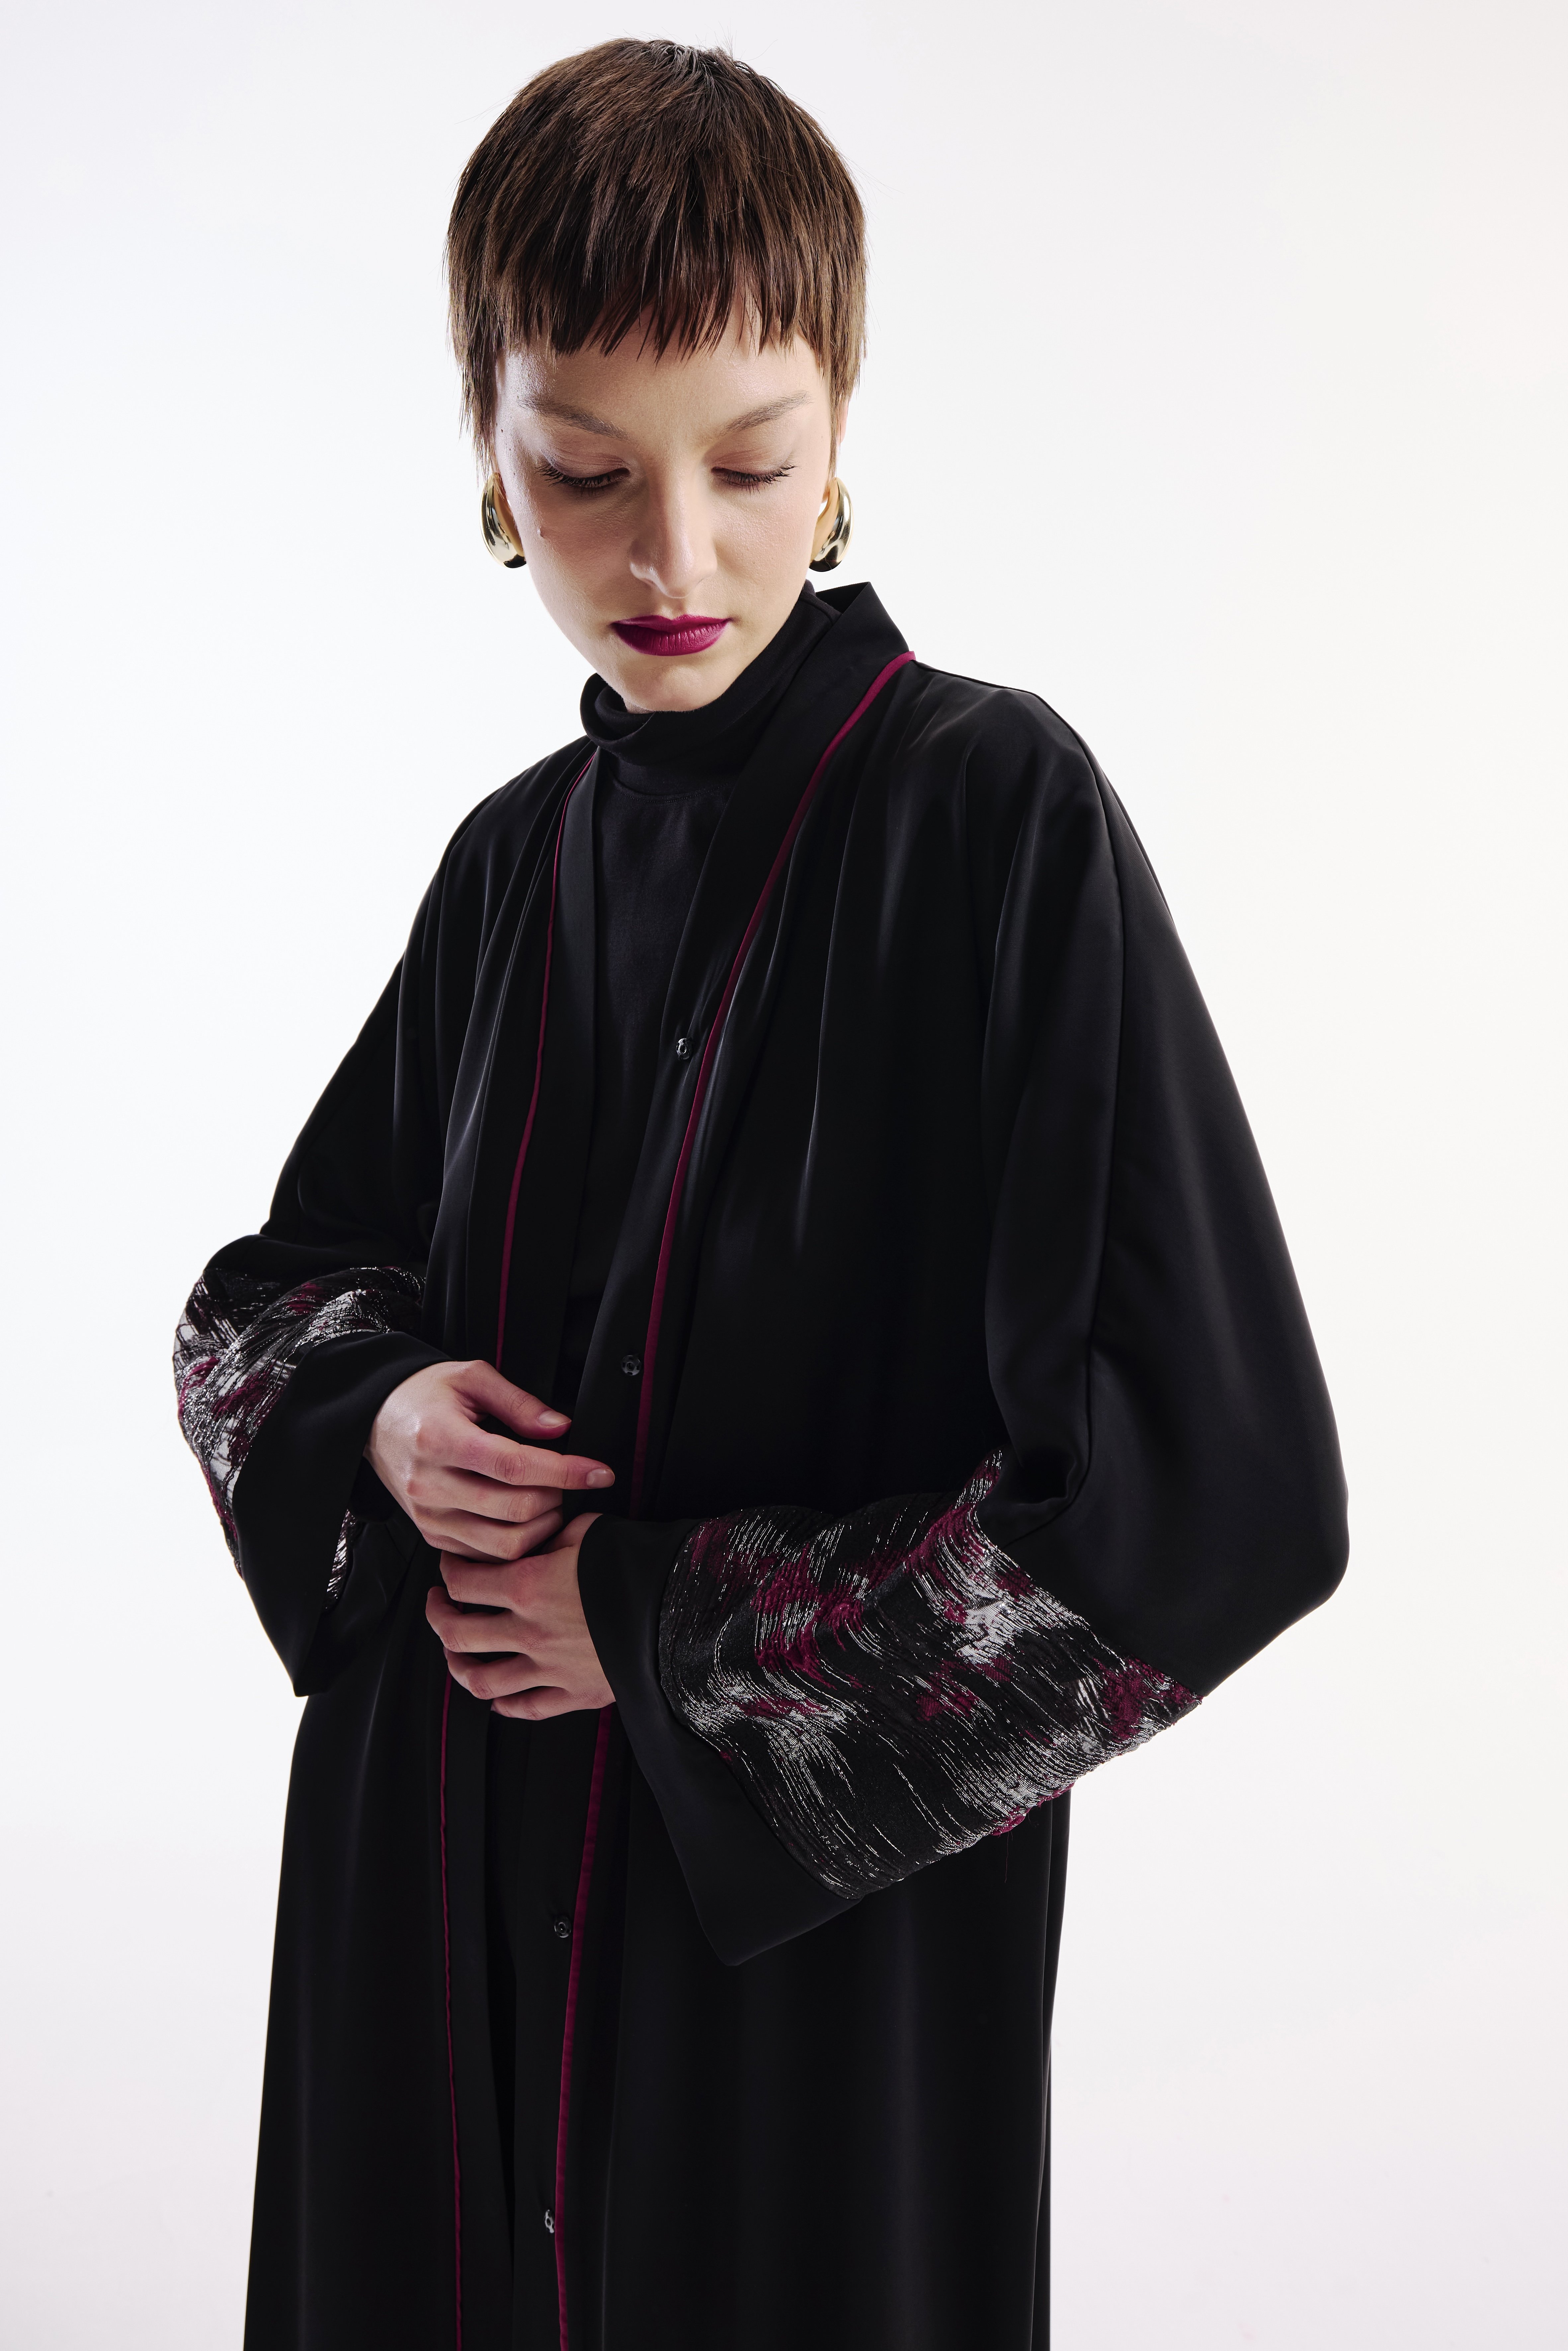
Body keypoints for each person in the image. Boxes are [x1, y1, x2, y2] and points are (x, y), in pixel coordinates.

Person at [174, 39, 1347, 2351]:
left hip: (798, 2009)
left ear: (840, 432)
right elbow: (267, 1300)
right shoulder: (510, 866)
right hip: (423, 1927)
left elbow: (1214, 1504)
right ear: (489, 456)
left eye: (749, 463)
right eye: (585, 471)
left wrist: (664, 1636)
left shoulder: (992, 817)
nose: (672, 556)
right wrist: (383, 1414)